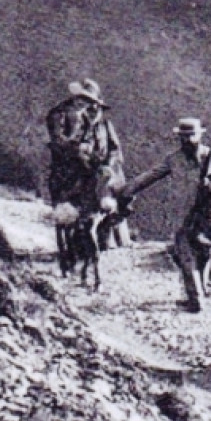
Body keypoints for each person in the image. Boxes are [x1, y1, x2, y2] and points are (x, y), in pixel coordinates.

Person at [120, 117, 211, 312]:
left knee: (205, 255)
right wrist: (128, 190)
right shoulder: (174, 159)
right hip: (185, 215)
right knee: (185, 255)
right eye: (184, 137)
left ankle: (200, 290)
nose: (188, 141)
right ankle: (196, 297)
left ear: (199, 135)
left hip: (209, 217)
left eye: (192, 136)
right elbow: (152, 175)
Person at [44, 78, 125, 278]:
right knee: (67, 215)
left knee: (114, 203)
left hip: (94, 172)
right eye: (82, 99)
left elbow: (115, 149)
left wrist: (107, 164)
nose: (87, 104)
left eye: (90, 101)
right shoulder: (59, 115)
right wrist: (75, 148)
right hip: (67, 172)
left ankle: (96, 246)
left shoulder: (101, 123)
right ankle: (69, 258)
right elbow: (57, 141)